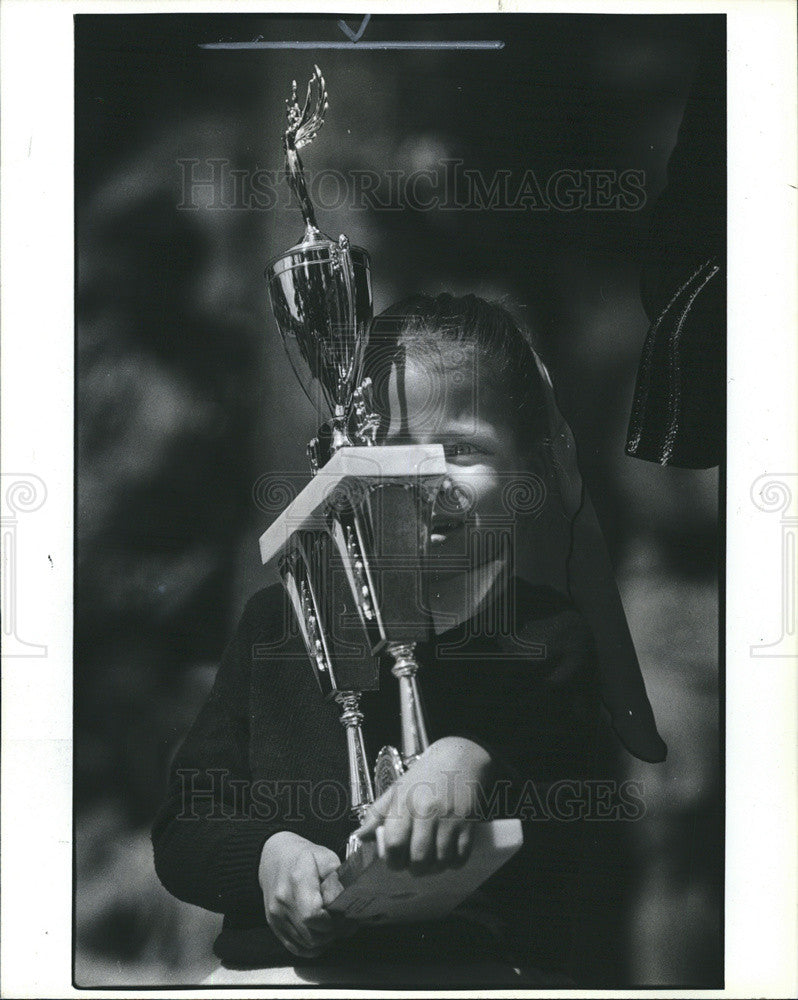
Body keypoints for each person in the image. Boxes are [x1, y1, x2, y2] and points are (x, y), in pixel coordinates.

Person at [151, 293, 664, 985]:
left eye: (461, 449)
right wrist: (268, 856)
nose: (426, 482)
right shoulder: (278, 623)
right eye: (392, 453)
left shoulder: (546, 637)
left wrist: (467, 760)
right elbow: (187, 821)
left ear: (529, 470)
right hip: (276, 976)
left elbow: (563, 805)